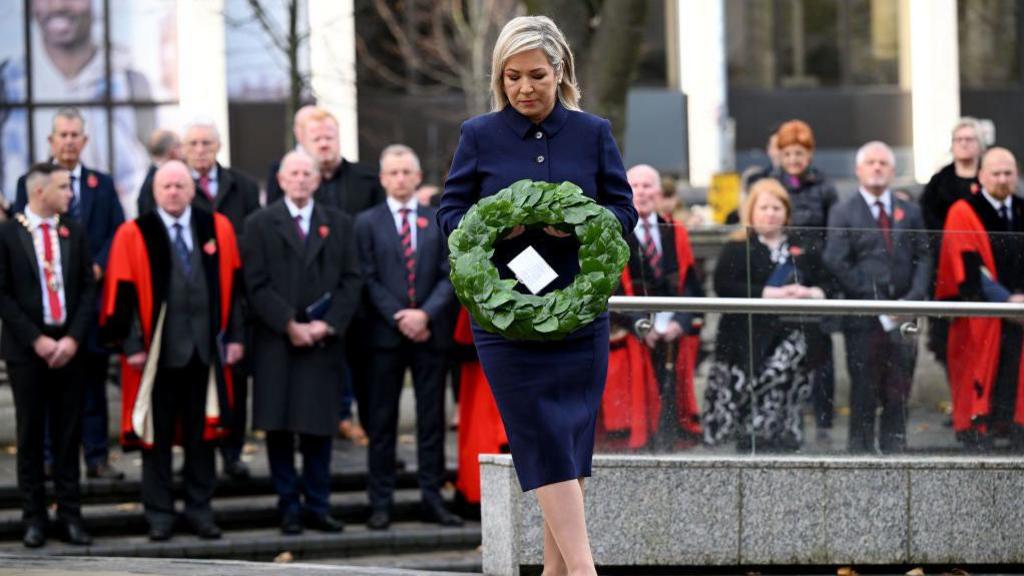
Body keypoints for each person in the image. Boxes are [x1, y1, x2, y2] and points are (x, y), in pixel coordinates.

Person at [437, 16, 637, 575]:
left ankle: (554, 572)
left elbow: (625, 211)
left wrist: (576, 224)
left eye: (537, 75)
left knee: (569, 440)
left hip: (580, 316)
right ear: (499, 78)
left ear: (560, 72)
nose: (524, 88)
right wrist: (496, 226)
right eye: (512, 77)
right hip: (504, 321)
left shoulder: (593, 131)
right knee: (540, 433)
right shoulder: (478, 134)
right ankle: (584, 568)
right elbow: (450, 213)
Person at [100, 160, 244, 541]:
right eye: (167, 186)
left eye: (181, 185)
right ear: (155, 191)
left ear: (192, 190)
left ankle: (200, 511)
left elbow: (236, 286)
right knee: (156, 439)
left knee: (203, 438)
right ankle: (160, 515)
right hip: (155, 356)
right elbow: (122, 294)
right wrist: (131, 346)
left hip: (204, 353)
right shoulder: (134, 234)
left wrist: (234, 339)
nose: (174, 192)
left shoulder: (217, 228)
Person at [243, 150, 362, 535]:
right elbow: (254, 283)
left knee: (318, 429)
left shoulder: (339, 224)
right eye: (292, 173)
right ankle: (288, 507)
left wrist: (326, 325)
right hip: (276, 343)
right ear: (280, 180)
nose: (299, 179)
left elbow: (351, 279)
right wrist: (288, 323)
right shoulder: (259, 224)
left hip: (322, 344)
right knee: (279, 429)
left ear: (316, 180)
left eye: (305, 173)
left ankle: (318, 505)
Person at [136, 119, 259, 480]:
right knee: (181, 398)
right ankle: (183, 456)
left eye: (207, 143)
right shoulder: (161, 186)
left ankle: (231, 453)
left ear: (219, 146)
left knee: (231, 385)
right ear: (181, 150)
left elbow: (250, 242)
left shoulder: (243, 186)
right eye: (193, 144)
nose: (201, 150)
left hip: (227, 298)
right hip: (174, 307)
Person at [14, 108, 126, 481]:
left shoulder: (102, 184)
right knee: (44, 391)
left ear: (85, 140)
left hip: (85, 305)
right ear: (51, 140)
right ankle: (49, 458)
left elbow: (116, 231)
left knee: (92, 382)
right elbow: (20, 234)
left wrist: (98, 264)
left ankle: (96, 456)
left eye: (75, 135)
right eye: (62, 135)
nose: (69, 141)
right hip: (41, 311)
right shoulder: (30, 182)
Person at [356, 144, 460, 529]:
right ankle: (380, 502)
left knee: (431, 422)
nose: (400, 179)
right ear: (383, 179)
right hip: (384, 336)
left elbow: (448, 272)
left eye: (406, 172)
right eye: (393, 173)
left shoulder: (436, 220)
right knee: (381, 423)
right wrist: (399, 317)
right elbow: (366, 277)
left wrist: (424, 314)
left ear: (418, 177)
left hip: (430, 335)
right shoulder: (366, 223)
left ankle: (432, 499)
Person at [268, 106, 379, 444]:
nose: (325, 143)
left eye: (330, 137)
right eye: (317, 138)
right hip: (310, 295)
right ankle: (334, 419)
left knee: (363, 366)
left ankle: (367, 427)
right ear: (303, 141)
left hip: (358, 289)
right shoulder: (291, 177)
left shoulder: (365, 178)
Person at [0, 163, 95, 547]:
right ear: (40, 192)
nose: (70, 193)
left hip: (69, 349)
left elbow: (88, 288)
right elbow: (3, 294)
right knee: (31, 434)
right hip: (28, 350)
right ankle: (34, 517)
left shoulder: (74, 230)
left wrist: (72, 338)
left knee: (68, 434)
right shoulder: (7, 234)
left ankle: (70, 515)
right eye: (63, 187)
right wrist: (36, 339)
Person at [823, 141, 931, 454]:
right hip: (864, 319)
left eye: (883, 162)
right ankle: (860, 454)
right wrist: (877, 303)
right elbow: (836, 260)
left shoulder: (910, 211)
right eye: (870, 162)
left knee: (899, 390)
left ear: (892, 170)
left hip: (905, 316)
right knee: (863, 390)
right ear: (858, 170)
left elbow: (924, 256)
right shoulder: (843, 211)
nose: (877, 167)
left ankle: (896, 452)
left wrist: (911, 300)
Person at [703, 178, 826, 451]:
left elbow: (827, 281)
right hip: (745, 341)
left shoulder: (803, 246)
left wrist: (809, 292)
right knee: (749, 421)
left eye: (776, 208)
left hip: (790, 340)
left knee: (784, 412)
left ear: (786, 213)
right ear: (751, 212)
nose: (770, 213)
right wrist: (768, 293)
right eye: (764, 207)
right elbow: (724, 285)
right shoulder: (737, 246)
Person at [601, 164, 701, 451]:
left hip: (671, 335)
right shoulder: (613, 231)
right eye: (635, 186)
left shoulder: (675, 232)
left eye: (648, 186)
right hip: (632, 333)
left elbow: (691, 284)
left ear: (659, 192)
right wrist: (640, 325)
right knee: (640, 416)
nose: (641, 192)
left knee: (671, 409)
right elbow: (609, 288)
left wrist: (679, 323)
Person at [936, 147, 1024, 451]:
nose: (1002, 179)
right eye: (996, 173)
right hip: (984, 312)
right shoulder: (964, 211)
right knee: (981, 374)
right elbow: (967, 265)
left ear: (1017, 175)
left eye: (1008, 173)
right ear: (981, 175)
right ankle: (979, 428)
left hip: (1020, 315)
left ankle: (1014, 427)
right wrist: (1007, 302)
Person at [761, 119, 838, 443]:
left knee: (820, 350)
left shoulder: (824, 187)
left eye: (799, 153)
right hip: (778, 270)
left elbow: (834, 233)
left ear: (809, 154)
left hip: (813, 267)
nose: (794, 159)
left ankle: (824, 416)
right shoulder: (770, 183)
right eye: (788, 153)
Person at [919, 118, 986, 368]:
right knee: (948, 342)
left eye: (970, 139)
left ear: (980, 145)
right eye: (960, 139)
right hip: (946, 271)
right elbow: (928, 223)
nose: (965, 144)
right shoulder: (939, 183)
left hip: (985, 269)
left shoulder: (990, 177)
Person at [136, 129, 183, 212]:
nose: (183, 151)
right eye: (179, 146)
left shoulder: (151, 177)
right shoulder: (154, 181)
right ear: (172, 151)